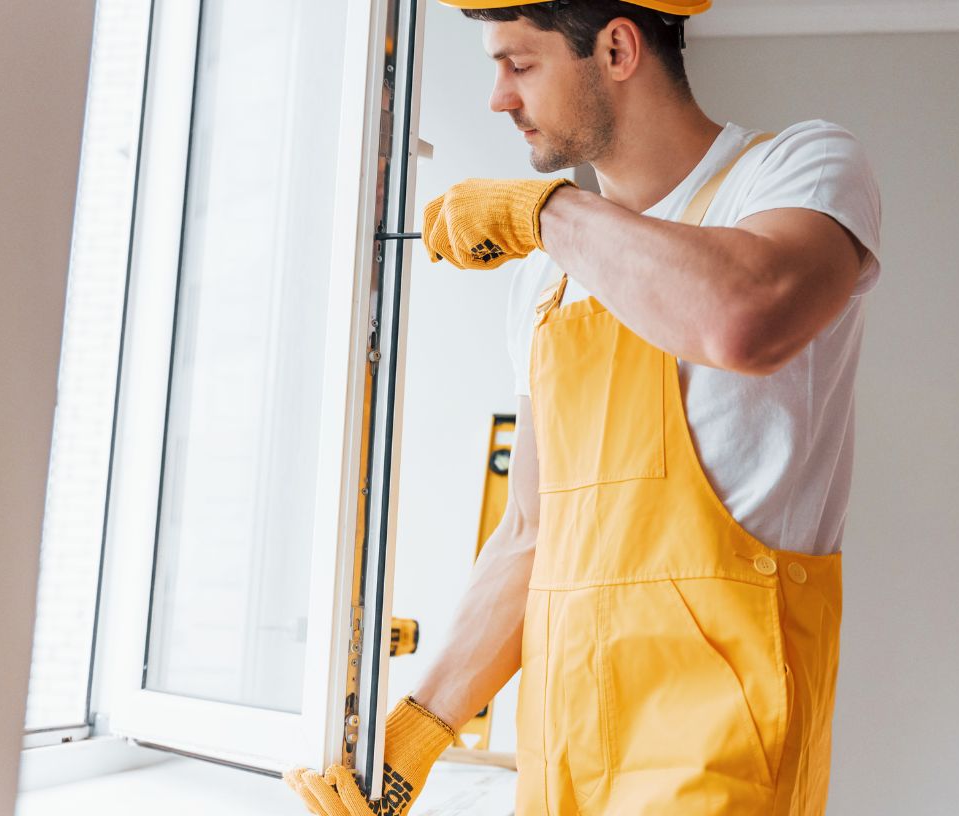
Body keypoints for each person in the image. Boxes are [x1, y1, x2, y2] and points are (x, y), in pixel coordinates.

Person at [285, 1, 882, 813]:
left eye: (519, 64)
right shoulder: (547, 276)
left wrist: (549, 213)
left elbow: (745, 317)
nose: (497, 96)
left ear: (618, 48)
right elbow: (533, 533)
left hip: (718, 744)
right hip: (565, 749)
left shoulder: (794, 170)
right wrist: (412, 738)